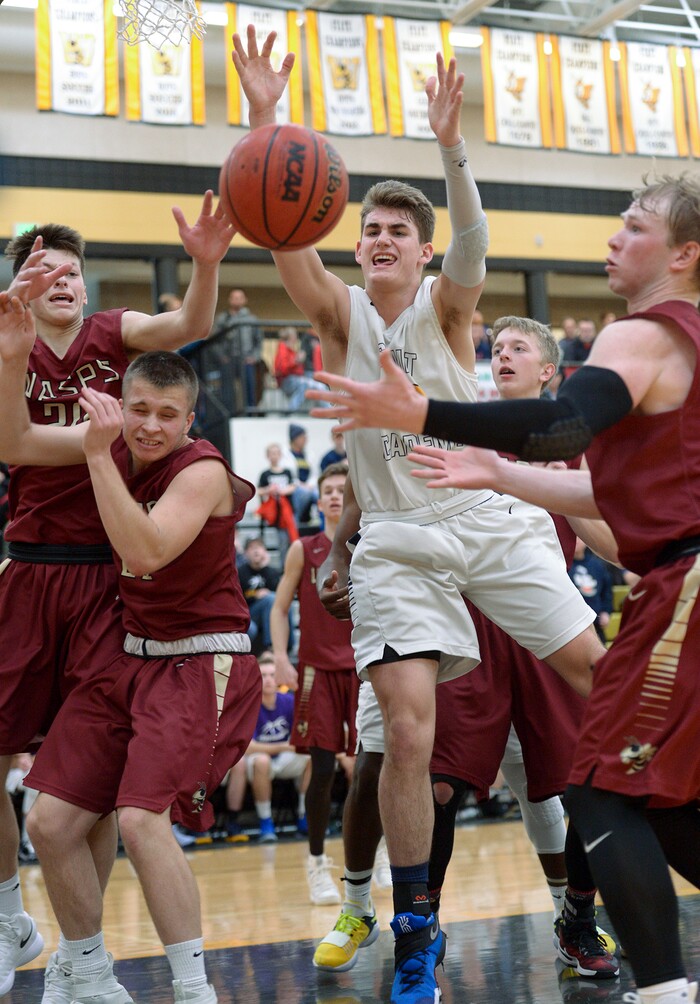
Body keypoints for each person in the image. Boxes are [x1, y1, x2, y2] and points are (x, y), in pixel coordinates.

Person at [233, 27, 603, 1003]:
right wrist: (269, 126)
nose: (382, 237)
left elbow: (476, 245)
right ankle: (411, 934)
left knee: (601, 685)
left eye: (401, 228)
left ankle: (612, 873)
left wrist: (451, 150)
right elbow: (286, 241)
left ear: (424, 248)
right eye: (371, 228)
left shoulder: (447, 305)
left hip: (489, 521)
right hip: (399, 539)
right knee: (403, 732)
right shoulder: (341, 313)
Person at [306, 174, 700, 1004]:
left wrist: (438, 426)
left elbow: (563, 430)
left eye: (631, 225)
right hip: (422, 534)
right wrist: (500, 468)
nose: (612, 238)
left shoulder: (640, 336)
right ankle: (411, 925)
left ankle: (632, 960)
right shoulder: (346, 313)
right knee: (433, 755)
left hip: (524, 534)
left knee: (599, 772)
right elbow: (606, 491)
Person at [312, 318, 617, 981]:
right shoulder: (452, 405)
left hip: (539, 636)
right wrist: (342, 549)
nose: (502, 354)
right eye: (497, 346)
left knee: (575, 782)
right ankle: (413, 926)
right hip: (454, 622)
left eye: (518, 349)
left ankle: (577, 913)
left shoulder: (562, 449)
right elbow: (373, 478)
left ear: (548, 373)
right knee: (427, 779)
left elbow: (609, 537)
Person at [0, 197, 233, 996]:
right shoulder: (9, 344)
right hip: (29, 567)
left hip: (106, 577)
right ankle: (9, 921)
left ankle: (82, 955)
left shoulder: (115, 339)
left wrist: (206, 262)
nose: (61, 280)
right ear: (19, 285)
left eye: (72, 270)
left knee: (87, 791)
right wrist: (10, 347)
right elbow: (14, 443)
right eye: (42, 270)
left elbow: (186, 327)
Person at [269, 462, 358, 904]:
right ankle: (317, 864)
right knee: (321, 768)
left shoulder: (368, 544)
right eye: (329, 490)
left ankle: (375, 858)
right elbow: (278, 607)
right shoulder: (303, 549)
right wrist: (281, 656)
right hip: (317, 671)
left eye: (344, 489)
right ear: (319, 499)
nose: (336, 495)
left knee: (371, 766)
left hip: (365, 667)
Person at [230, 652, 310, 843]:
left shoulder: (289, 701)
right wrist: (283, 746)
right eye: (263, 675)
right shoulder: (248, 704)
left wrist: (289, 746)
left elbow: (301, 737)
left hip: (282, 758)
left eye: (272, 675)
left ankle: (304, 814)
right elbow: (248, 748)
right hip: (257, 762)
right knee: (262, 761)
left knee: (311, 756)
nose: (268, 680)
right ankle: (266, 821)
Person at [210, 287, 263, 409]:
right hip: (228, 359)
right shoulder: (223, 319)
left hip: (246, 359)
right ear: (230, 300)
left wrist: (254, 357)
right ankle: (229, 412)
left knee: (249, 387)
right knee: (227, 389)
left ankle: (251, 412)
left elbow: (258, 341)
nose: (237, 300)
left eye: (240, 298)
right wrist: (221, 356)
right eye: (234, 298)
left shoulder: (251, 319)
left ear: (245, 300)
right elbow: (214, 340)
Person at [238, 536, 282, 655]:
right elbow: (237, 598)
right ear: (246, 553)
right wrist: (255, 595)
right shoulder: (240, 572)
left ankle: (271, 646)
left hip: (268, 611)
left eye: (259, 547)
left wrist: (264, 568)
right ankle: (269, 645)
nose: (256, 551)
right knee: (269, 599)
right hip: (247, 612)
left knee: (271, 598)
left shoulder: (271, 572)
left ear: (264, 551)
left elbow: (279, 594)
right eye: (252, 548)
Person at [569, 537, 614, 644]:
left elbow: (606, 591)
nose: (577, 541)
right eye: (572, 538)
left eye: (579, 538)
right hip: (573, 624)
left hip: (596, 622)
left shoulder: (597, 565)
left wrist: (606, 612)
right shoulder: (563, 566)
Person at [274, 326, 329, 412]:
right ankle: (289, 411)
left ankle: (328, 410)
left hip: (293, 379)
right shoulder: (283, 348)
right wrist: (296, 361)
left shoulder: (289, 349)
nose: (296, 338)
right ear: (291, 337)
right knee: (308, 385)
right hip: (287, 381)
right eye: (295, 335)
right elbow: (283, 368)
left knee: (315, 385)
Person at [288, 423, 317, 525]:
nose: (305, 439)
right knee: (303, 493)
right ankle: (296, 522)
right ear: (294, 438)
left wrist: (309, 484)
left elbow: (314, 474)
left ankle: (321, 524)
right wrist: (301, 485)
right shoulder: (286, 455)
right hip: (295, 488)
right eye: (302, 437)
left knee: (319, 495)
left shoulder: (309, 454)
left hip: (309, 487)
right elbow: (289, 476)